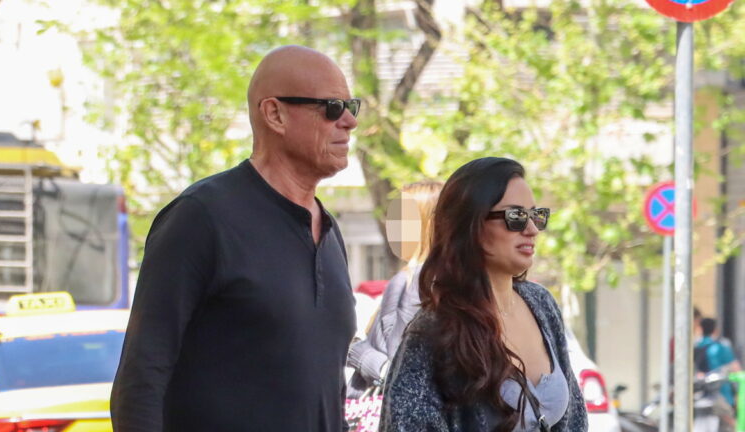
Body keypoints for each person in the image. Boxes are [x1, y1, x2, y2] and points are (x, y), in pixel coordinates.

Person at [110, 45, 360, 432]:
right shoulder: (201, 217)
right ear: (274, 114)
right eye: (331, 107)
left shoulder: (328, 231)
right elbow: (141, 379)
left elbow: (323, 393)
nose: (349, 122)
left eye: (351, 106)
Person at [379, 157, 588, 431]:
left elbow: (574, 420)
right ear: (472, 225)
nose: (532, 229)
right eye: (516, 217)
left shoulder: (541, 303)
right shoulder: (434, 330)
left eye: (537, 216)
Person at [346, 180, 443, 397]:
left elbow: (397, 368)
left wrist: (356, 351)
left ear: (428, 224)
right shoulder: (448, 278)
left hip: (381, 407)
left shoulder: (414, 281)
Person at [694, 317, 742, 408]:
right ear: (715, 330)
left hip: (701, 395)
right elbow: (736, 368)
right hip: (722, 396)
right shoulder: (721, 347)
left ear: (701, 329)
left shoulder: (696, 347)